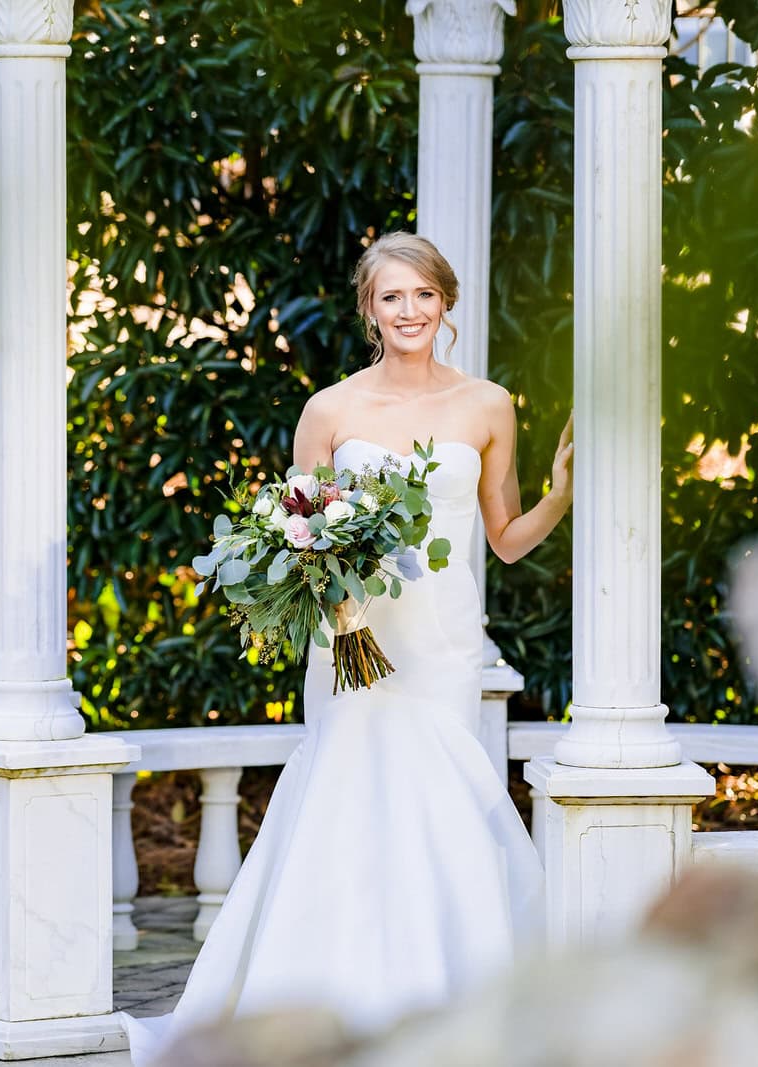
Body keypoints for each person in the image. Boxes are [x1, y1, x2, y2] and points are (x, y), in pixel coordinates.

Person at [123, 231, 573, 1062]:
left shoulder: (488, 404)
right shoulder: (330, 409)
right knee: (348, 795)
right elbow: (295, 538)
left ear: (447, 304)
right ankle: (326, 1003)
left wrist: (562, 494)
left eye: (424, 295)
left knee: (441, 799)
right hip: (353, 643)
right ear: (370, 308)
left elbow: (505, 537)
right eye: (392, 297)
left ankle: (455, 1008)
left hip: (441, 639)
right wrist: (336, 609)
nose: (410, 311)